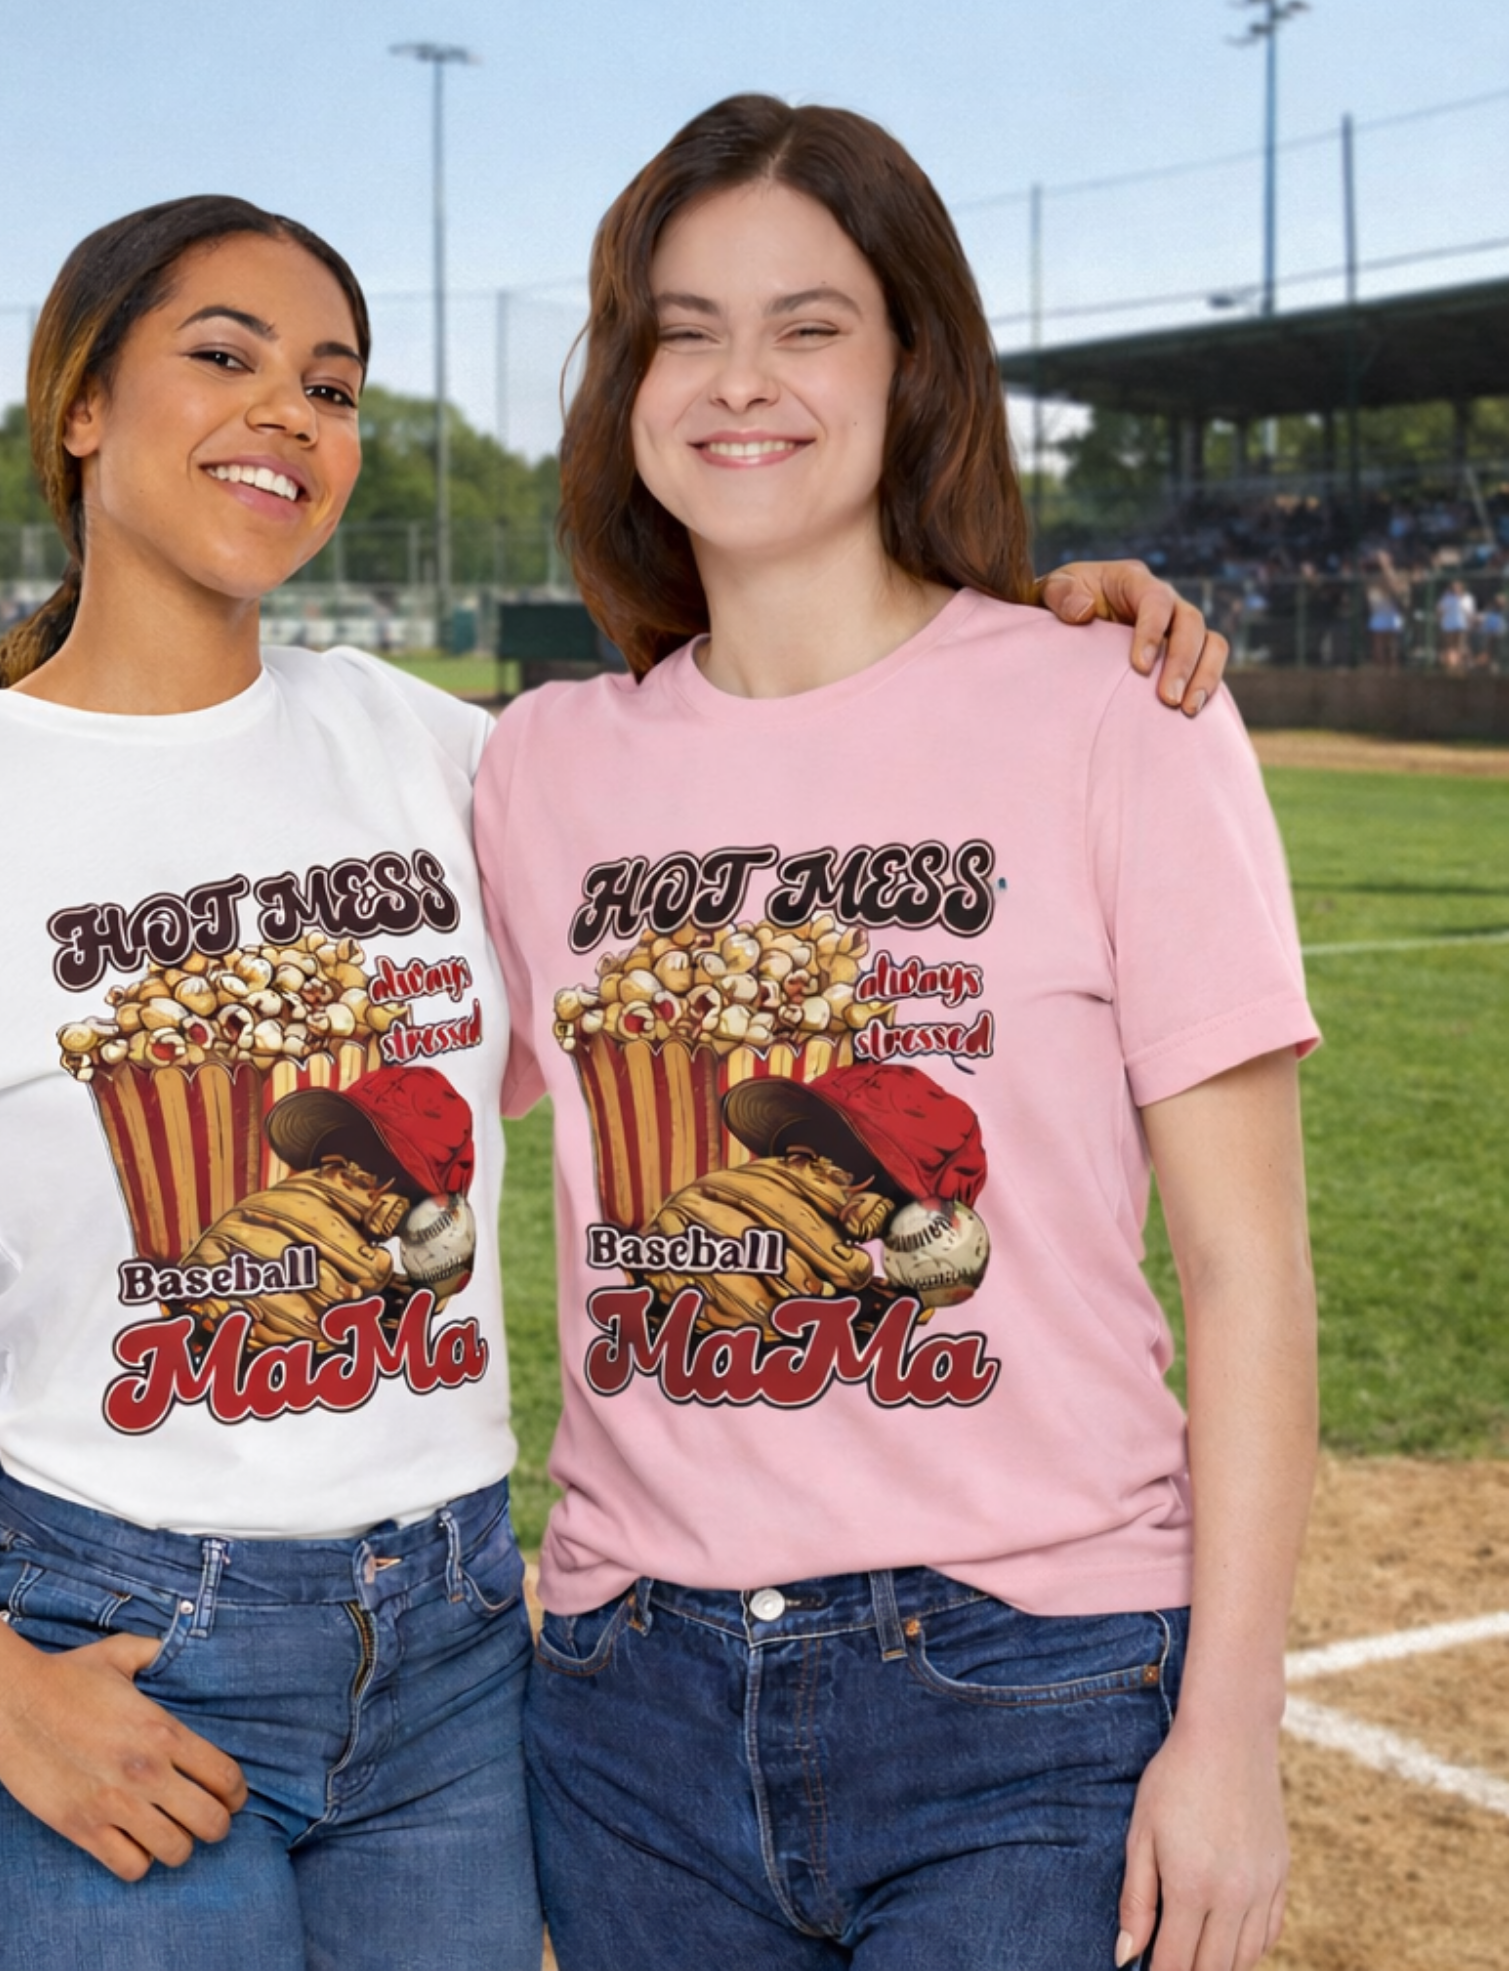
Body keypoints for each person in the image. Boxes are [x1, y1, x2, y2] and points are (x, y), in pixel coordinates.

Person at [0, 189, 1224, 1969]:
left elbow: (765, 781)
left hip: (461, 1669)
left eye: (332, 387)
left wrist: (1034, 626)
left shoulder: (441, 755)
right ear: (79, 406)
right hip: (123, 1638)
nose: (289, 414)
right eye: (225, 358)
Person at [475, 97, 1319, 1971]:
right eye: (681, 328)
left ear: (915, 360)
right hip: (629, 1707)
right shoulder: (535, 771)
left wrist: (1234, 1732)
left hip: (1033, 1696)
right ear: (625, 380)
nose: (737, 378)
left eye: (809, 322)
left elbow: (1250, 1273)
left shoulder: (1121, 714)